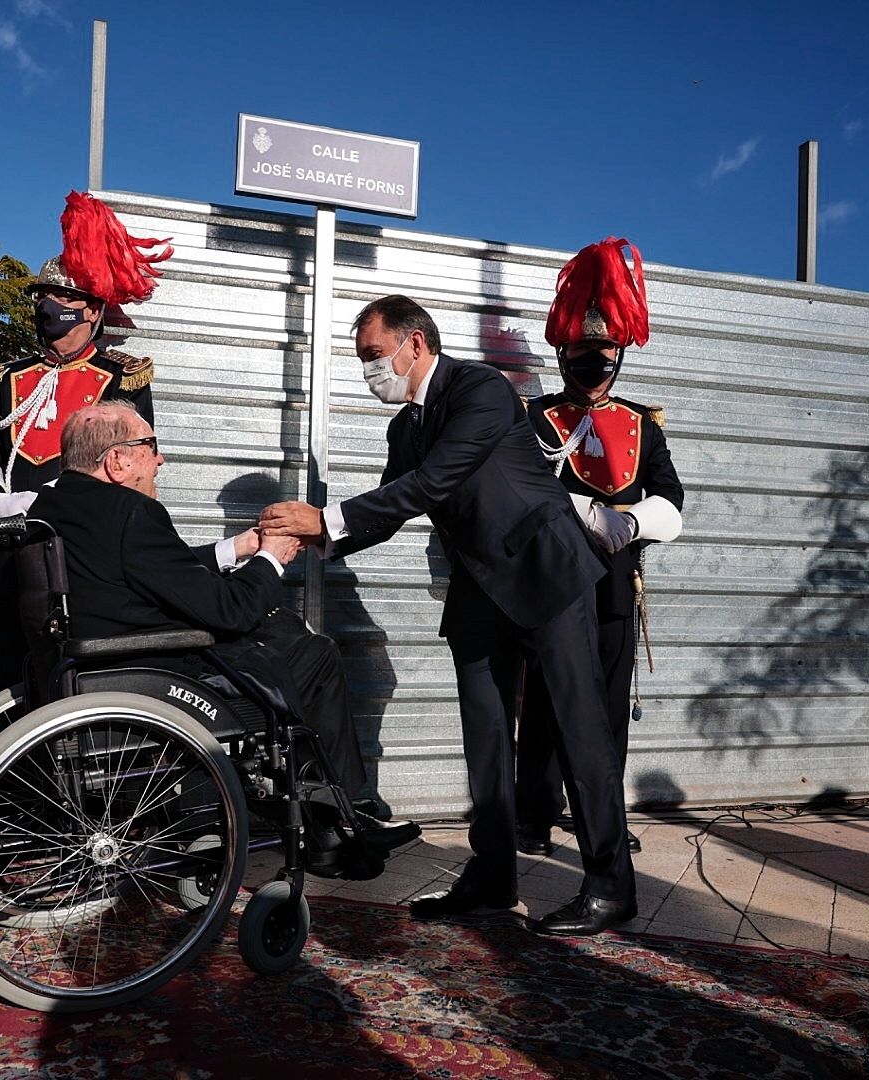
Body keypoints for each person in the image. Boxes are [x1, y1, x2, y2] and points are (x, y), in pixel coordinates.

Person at [260, 295, 637, 936]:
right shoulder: (403, 427)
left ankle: (610, 886)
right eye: (361, 361)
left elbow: (435, 481)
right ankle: (492, 875)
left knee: (579, 732)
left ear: (415, 342)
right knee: (485, 740)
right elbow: (390, 511)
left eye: (374, 356)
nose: (369, 371)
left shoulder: (481, 389)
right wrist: (315, 539)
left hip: (545, 573)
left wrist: (325, 518)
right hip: (480, 590)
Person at [29, 402, 415, 869]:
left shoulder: (56, 504)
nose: (161, 460)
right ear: (117, 461)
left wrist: (241, 548)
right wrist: (271, 557)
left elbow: (153, 569)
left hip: (91, 662)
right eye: (151, 447)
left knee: (282, 629)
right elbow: (231, 611)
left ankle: (329, 815)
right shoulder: (131, 513)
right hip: (149, 672)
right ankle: (343, 825)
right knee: (313, 655)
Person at [516, 238, 685, 858]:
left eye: (605, 354)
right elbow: (526, 495)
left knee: (610, 709)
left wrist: (631, 524)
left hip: (616, 584)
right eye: (583, 355)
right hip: (554, 583)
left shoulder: (643, 423)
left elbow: (671, 498)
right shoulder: (535, 418)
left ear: (618, 356)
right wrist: (585, 515)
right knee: (543, 706)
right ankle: (533, 815)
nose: (595, 365)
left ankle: (604, 819)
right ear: (564, 356)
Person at [0, 192, 171, 518]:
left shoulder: (122, 376)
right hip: (10, 530)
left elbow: (132, 461)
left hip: (87, 529)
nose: (48, 304)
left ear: (92, 311)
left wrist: (51, 500)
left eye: (62, 295)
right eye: (43, 296)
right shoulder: (11, 377)